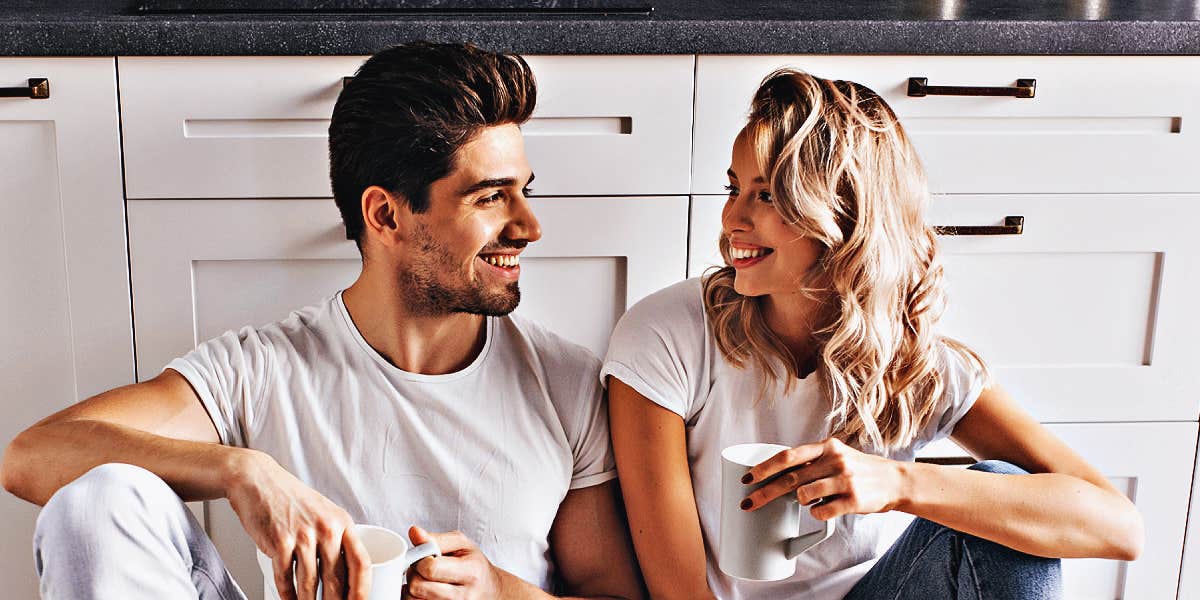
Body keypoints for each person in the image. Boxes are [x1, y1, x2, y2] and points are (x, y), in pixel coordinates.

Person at [0, 42, 643, 600]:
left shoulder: (563, 383)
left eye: (525, 190)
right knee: (98, 500)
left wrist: (503, 593)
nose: (529, 227)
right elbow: (31, 456)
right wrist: (241, 470)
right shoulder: (261, 368)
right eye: (490, 196)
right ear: (386, 216)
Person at [602, 69, 1143, 600]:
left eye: (767, 196)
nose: (731, 218)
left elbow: (1119, 528)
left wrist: (899, 486)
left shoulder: (912, 359)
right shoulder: (666, 336)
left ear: (846, 214)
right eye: (734, 187)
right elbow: (677, 592)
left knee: (1007, 496)